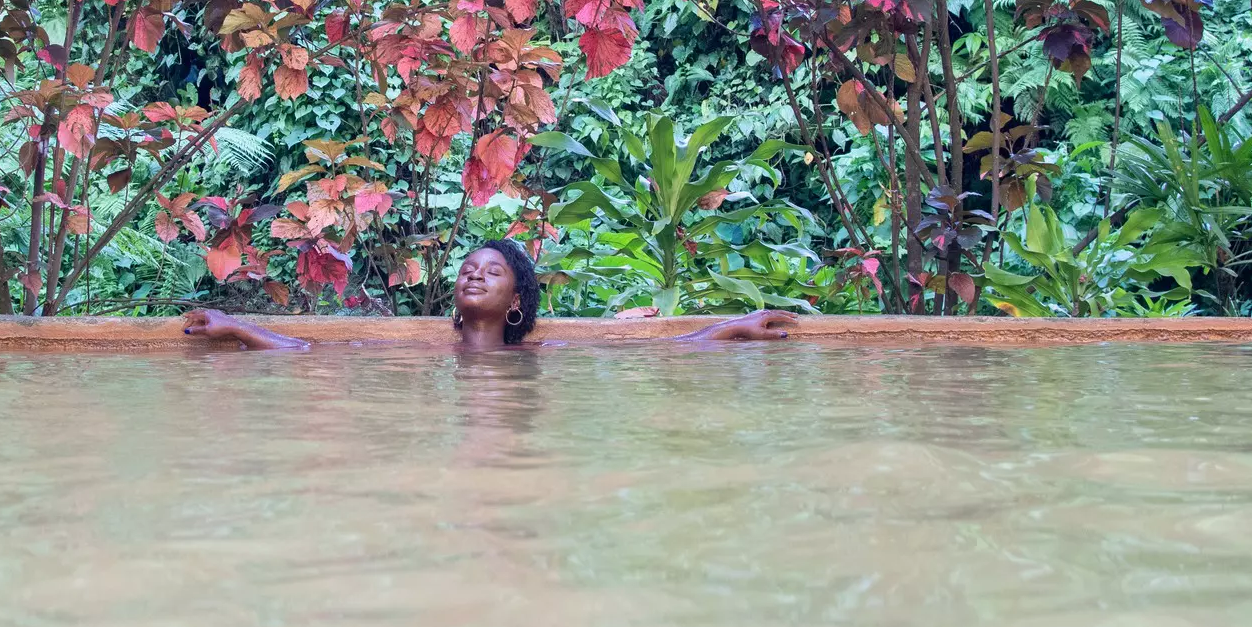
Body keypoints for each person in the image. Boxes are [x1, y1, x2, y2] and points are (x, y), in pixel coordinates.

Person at [177, 238, 806, 351]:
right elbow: (306, 351)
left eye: (492, 272)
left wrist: (733, 325)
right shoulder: (428, 353)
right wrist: (236, 324)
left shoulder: (533, 358)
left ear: (516, 303)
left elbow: (653, 351)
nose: (473, 274)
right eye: (467, 268)